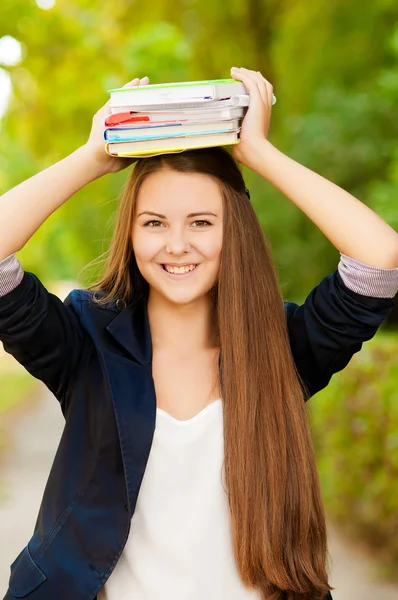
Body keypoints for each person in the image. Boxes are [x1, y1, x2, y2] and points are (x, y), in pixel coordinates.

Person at [0, 66, 397, 600]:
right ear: (132, 234)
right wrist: (92, 159)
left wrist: (259, 154)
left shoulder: (283, 346)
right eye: (155, 222)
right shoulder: (85, 341)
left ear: (234, 232)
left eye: (202, 222)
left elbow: (380, 258)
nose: (177, 245)